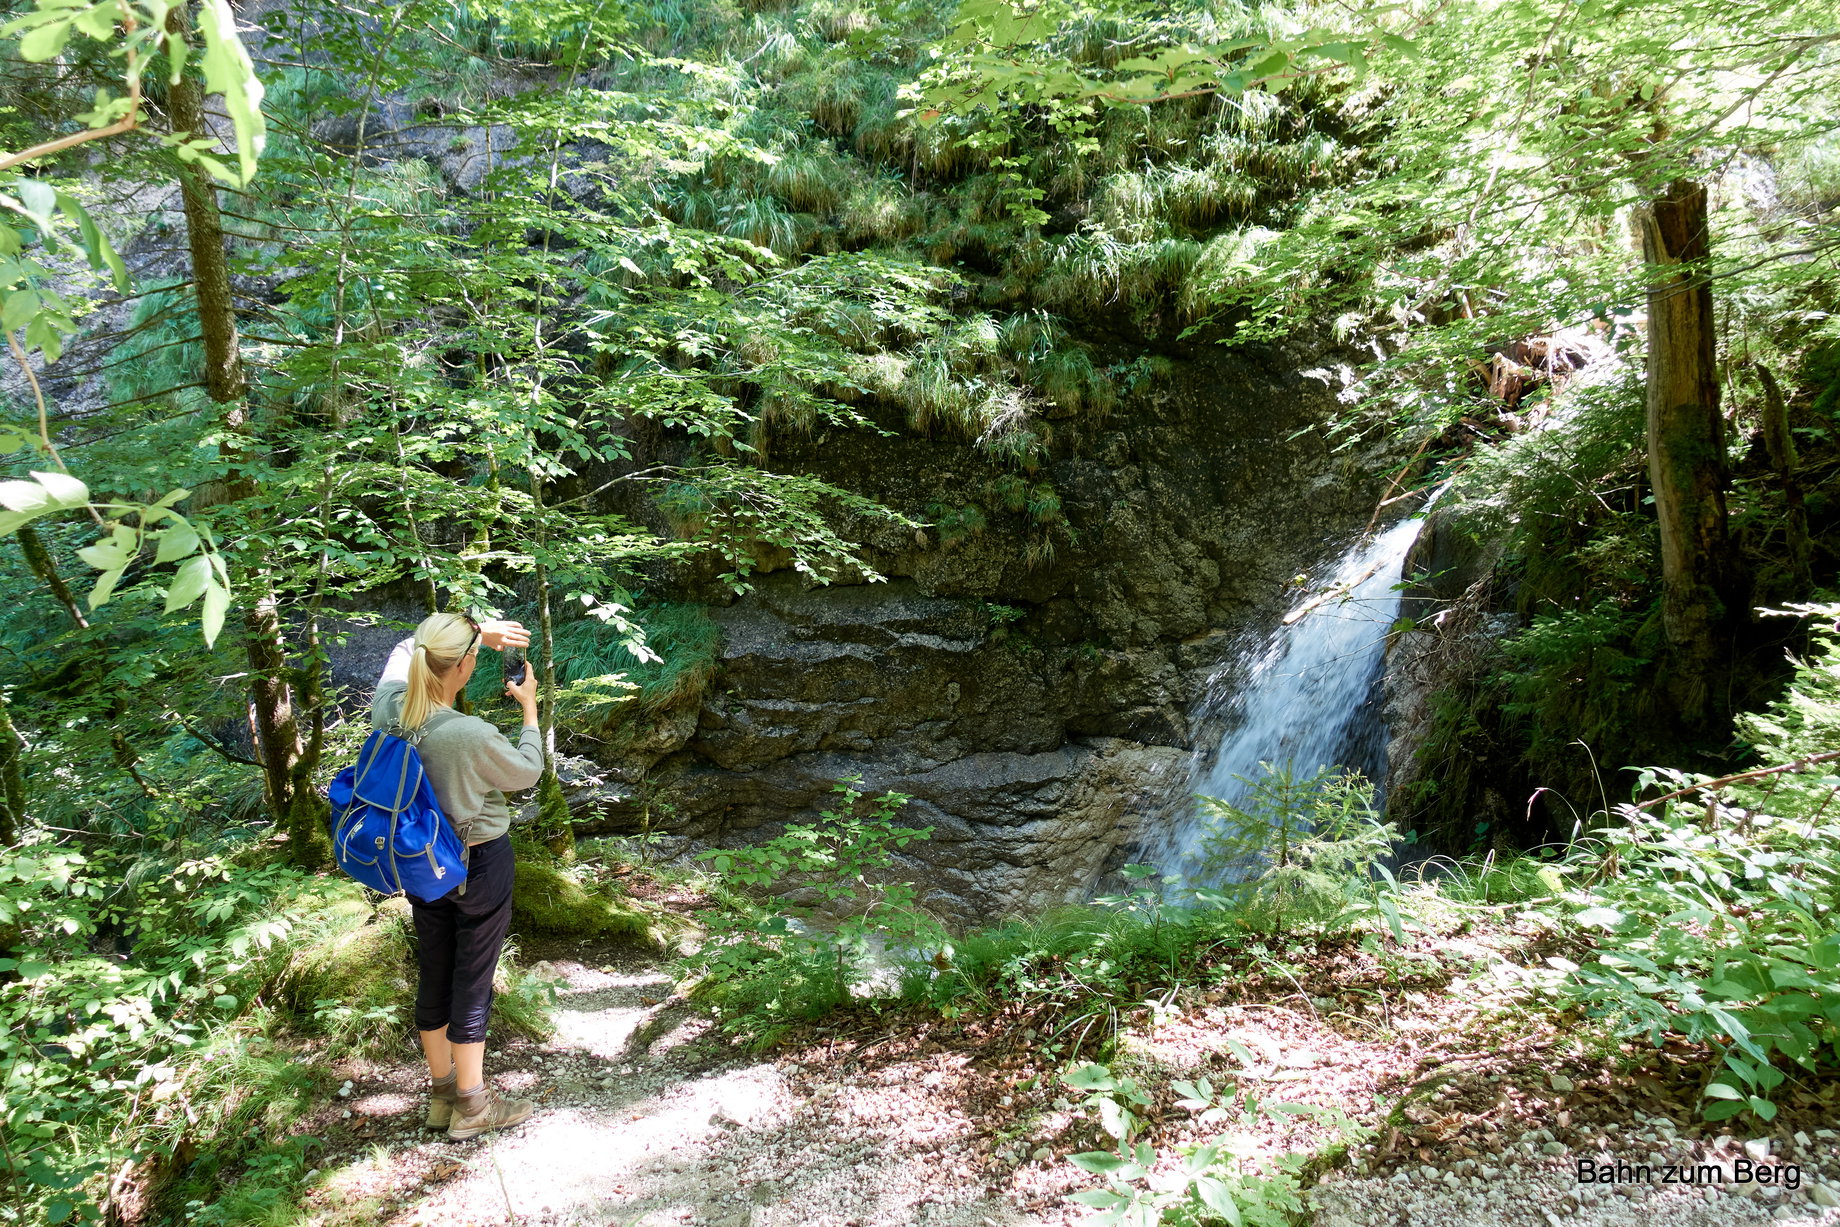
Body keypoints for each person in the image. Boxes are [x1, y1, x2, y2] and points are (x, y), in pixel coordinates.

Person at [370, 611, 543, 1141]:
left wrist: (472, 635)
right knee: (473, 978)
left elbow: (404, 652)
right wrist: (530, 709)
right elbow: (527, 771)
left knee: (435, 968)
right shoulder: (469, 733)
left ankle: (442, 1092)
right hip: (478, 862)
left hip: (419, 862)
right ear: (466, 667)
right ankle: (473, 1105)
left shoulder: (390, 710)